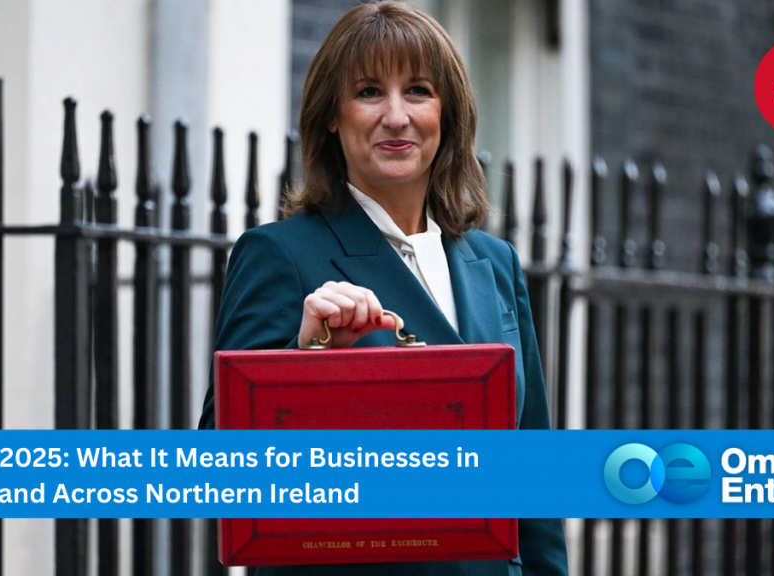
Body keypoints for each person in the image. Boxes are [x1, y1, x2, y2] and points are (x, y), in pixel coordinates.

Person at [198, 2, 568, 575]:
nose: (396, 116)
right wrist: (301, 359)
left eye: (418, 90)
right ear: (331, 116)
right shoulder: (280, 254)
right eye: (369, 92)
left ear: (447, 114)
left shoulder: (495, 263)